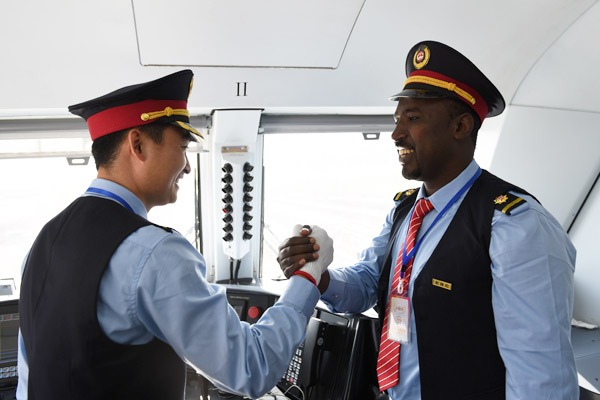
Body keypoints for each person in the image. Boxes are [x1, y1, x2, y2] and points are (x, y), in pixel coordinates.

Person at [277, 41, 579, 399]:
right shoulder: (405, 211)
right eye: (397, 119)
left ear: (461, 126)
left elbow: (540, 378)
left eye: (413, 118)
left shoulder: (515, 225)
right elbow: (368, 282)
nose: (396, 134)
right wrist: (319, 276)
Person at [17, 70, 333, 400]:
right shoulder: (154, 253)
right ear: (137, 144)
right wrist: (307, 279)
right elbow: (250, 370)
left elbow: (31, 378)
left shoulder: (43, 243)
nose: (187, 167)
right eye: (182, 147)